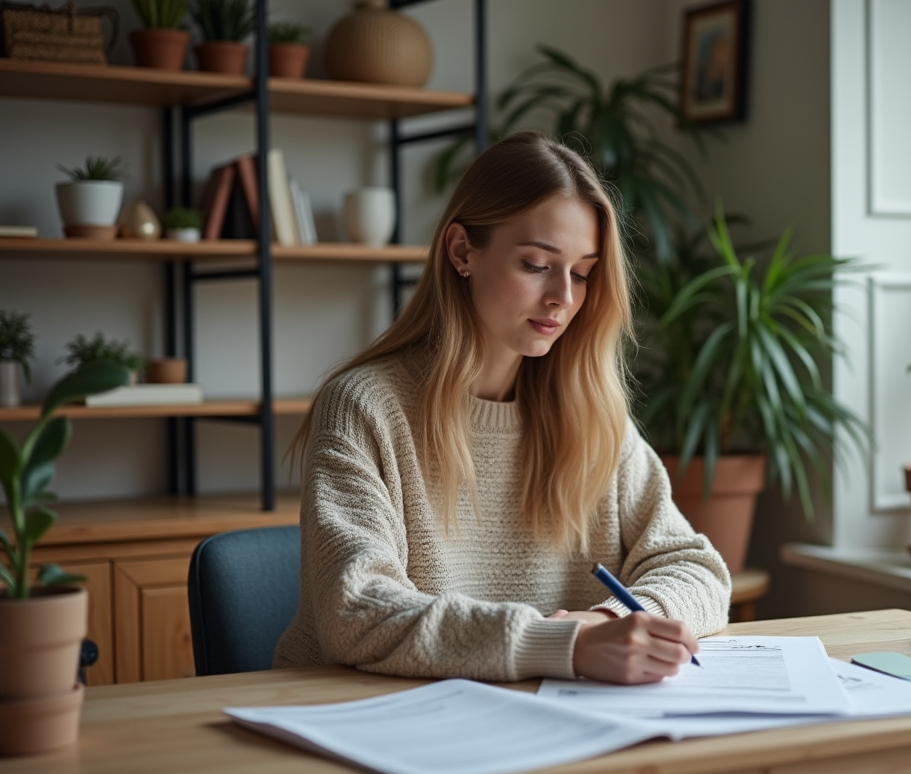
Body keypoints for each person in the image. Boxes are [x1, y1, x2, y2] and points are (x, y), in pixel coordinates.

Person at [274, 130, 731, 685]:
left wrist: (608, 618)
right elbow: (357, 611)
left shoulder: (591, 413)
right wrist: (567, 644)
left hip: (545, 720)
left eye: (582, 272)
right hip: (369, 721)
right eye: (538, 264)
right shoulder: (365, 407)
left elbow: (698, 569)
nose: (564, 296)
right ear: (463, 252)